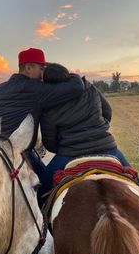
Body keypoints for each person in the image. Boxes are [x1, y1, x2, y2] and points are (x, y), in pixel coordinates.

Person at [0, 48, 84, 178]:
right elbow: (77, 86)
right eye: (41, 68)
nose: (42, 73)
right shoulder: (35, 89)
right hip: (19, 153)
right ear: (29, 68)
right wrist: (66, 74)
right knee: (47, 183)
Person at [39, 63, 131, 199]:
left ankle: (42, 219)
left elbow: (49, 142)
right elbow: (107, 112)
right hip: (107, 148)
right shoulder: (89, 88)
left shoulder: (47, 103)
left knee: (41, 188)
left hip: (69, 154)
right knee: (136, 182)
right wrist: (100, 129)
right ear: (66, 74)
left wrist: (66, 146)